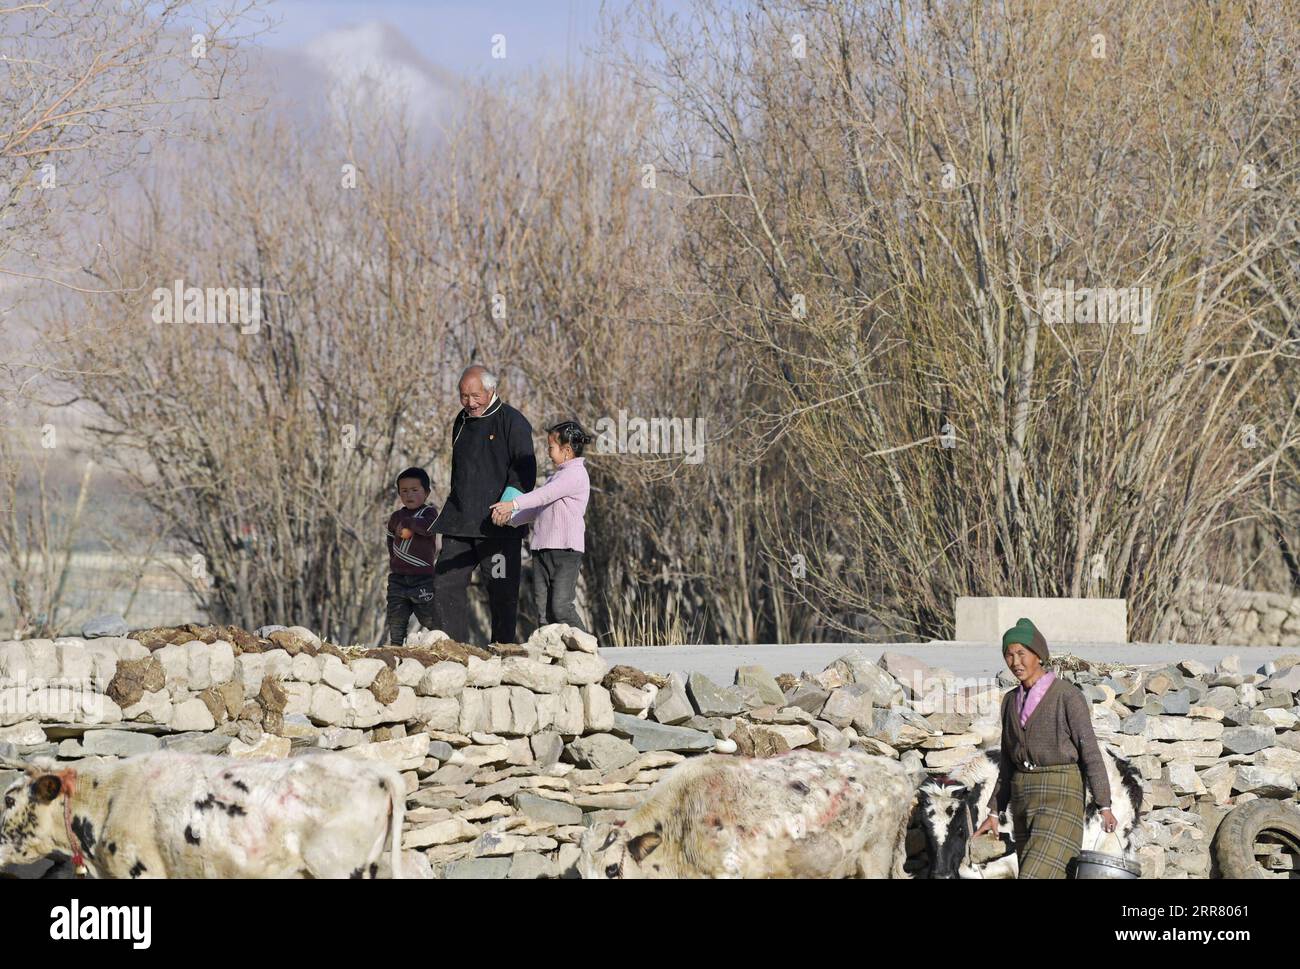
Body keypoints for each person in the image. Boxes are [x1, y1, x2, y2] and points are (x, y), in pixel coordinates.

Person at [974, 617, 1117, 878]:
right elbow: (1007, 762)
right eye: (1009, 655)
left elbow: (1090, 752)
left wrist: (1104, 804)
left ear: (1039, 655)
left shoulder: (1066, 696)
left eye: (1021, 653)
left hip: (1060, 794)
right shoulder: (1009, 702)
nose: (1015, 662)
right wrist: (994, 811)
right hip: (1022, 797)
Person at [430, 364, 536, 644]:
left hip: (498, 525)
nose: (470, 402)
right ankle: (452, 650)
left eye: (475, 395)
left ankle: (503, 650)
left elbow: (525, 468)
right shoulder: (461, 420)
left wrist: (509, 504)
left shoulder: (513, 421)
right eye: (463, 396)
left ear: (491, 390)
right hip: (460, 522)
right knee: (444, 584)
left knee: (502, 590)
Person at [490, 420, 592, 633]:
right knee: (544, 612)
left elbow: (544, 495)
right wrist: (510, 518)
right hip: (542, 550)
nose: (548, 452)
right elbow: (538, 508)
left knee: (561, 607)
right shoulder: (558, 475)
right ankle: (552, 659)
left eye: (550, 447)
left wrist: (513, 503)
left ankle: (588, 650)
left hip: (565, 551)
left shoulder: (575, 474)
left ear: (566, 450)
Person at [384, 467, 440, 645]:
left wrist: (409, 522)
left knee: (430, 618)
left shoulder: (429, 513)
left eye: (415, 490)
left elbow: (428, 528)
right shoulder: (396, 517)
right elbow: (390, 538)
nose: (409, 495)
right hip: (398, 578)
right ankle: (395, 648)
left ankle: (442, 644)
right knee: (396, 616)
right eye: (404, 491)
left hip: (422, 578)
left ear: (427, 492)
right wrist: (394, 560)